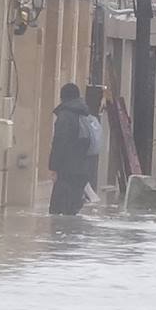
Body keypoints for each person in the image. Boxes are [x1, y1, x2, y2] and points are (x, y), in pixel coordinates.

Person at [48, 83, 94, 215]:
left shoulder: (65, 116)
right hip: (83, 171)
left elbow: (59, 143)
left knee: (56, 213)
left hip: (66, 172)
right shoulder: (86, 114)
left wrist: (53, 167)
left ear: (63, 98)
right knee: (72, 211)